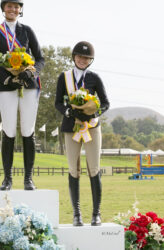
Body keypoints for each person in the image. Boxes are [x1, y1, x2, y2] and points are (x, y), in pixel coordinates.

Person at [0, 0, 45, 191]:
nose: (12, 9)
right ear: (3, 9)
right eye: (9, 6)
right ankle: (7, 179)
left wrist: (31, 72)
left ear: (20, 10)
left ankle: (28, 178)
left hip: (28, 86)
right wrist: (7, 78)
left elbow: (40, 58)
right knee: (9, 130)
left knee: (28, 130)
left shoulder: (27, 30)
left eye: (16, 6)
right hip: (6, 86)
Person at [55, 41, 110, 226]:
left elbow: (105, 103)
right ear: (74, 57)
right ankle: (76, 214)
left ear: (90, 60)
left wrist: (95, 112)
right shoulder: (64, 77)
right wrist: (69, 112)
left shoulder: (95, 78)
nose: (82, 60)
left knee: (94, 168)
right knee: (73, 169)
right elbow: (57, 103)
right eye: (79, 56)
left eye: (86, 58)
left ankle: (96, 213)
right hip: (71, 127)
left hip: (92, 127)